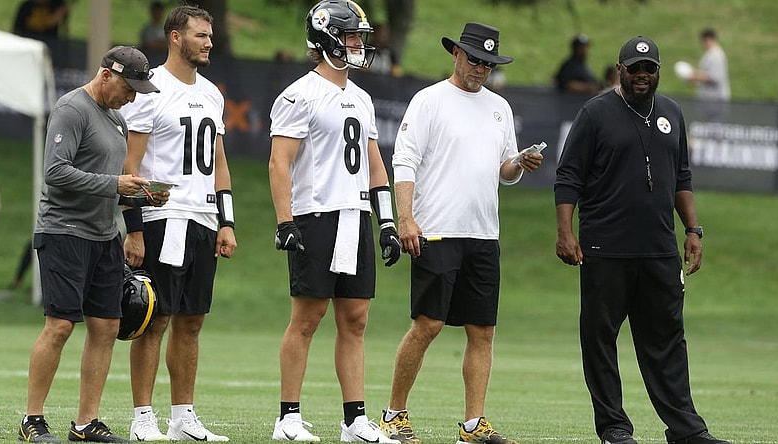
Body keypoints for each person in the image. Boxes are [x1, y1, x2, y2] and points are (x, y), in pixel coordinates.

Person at [554, 36, 731, 444]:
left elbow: (682, 175)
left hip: (659, 250)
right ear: (620, 70)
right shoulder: (595, 113)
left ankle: (687, 430)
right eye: (634, 68)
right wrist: (566, 232)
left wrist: (692, 229)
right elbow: (568, 176)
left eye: (649, 68)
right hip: (605, 248)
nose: (642, 76)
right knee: (600, 339)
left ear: (658, 72)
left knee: (667, 341)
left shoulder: (671, 112)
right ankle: (615, 428)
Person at [379, 22, 543, 444]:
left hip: (483, 234)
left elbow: (503, 170)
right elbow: (404, 162)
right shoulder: (429, 101)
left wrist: (519, 163)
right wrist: (406, 218)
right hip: (435, 231)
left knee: (482, 331)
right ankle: (393, 415)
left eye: (489, 63)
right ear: (456, 54)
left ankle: (473, 425)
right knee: (428, 324)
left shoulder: (499, 108)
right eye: (475, 59)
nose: (481, 69)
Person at [267, 1, 401, 442]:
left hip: (355, 215)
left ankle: (354, 420)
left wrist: (386, 223)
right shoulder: (298, 94)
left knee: (356, 319)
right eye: (351, 36)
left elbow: (375, 166)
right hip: (316, 214)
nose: (359, 44)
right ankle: (287, 417)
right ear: (325, 37)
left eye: (361, 36)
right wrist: (286, 221)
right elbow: (279, 162)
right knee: (306, 318)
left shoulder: (361, 98)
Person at [18, 45, 163, 443]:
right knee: (60, 325)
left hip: (104, 236)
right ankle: (32, 420)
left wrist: (139, 195)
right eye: (128, 88)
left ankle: (85, 424)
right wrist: (114, 184)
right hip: (65, 232)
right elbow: (55, 171)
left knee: (107, 326)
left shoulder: (117, 119)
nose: (131, 97)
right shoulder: (72, 109)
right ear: (106, 74)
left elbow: (109, 180)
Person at [119, 5, 237, 442]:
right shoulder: (151, 89)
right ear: (175, 37)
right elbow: (129, 164)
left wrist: (227, 221)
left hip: (204, 218)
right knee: (155, 317)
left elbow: (219, 163)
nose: (209, 42)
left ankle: (183, 416)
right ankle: (142, 417)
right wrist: (133, 228)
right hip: (164, 217)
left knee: (192, 320)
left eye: (209, 35)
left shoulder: (212, 92)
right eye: (200, 35)